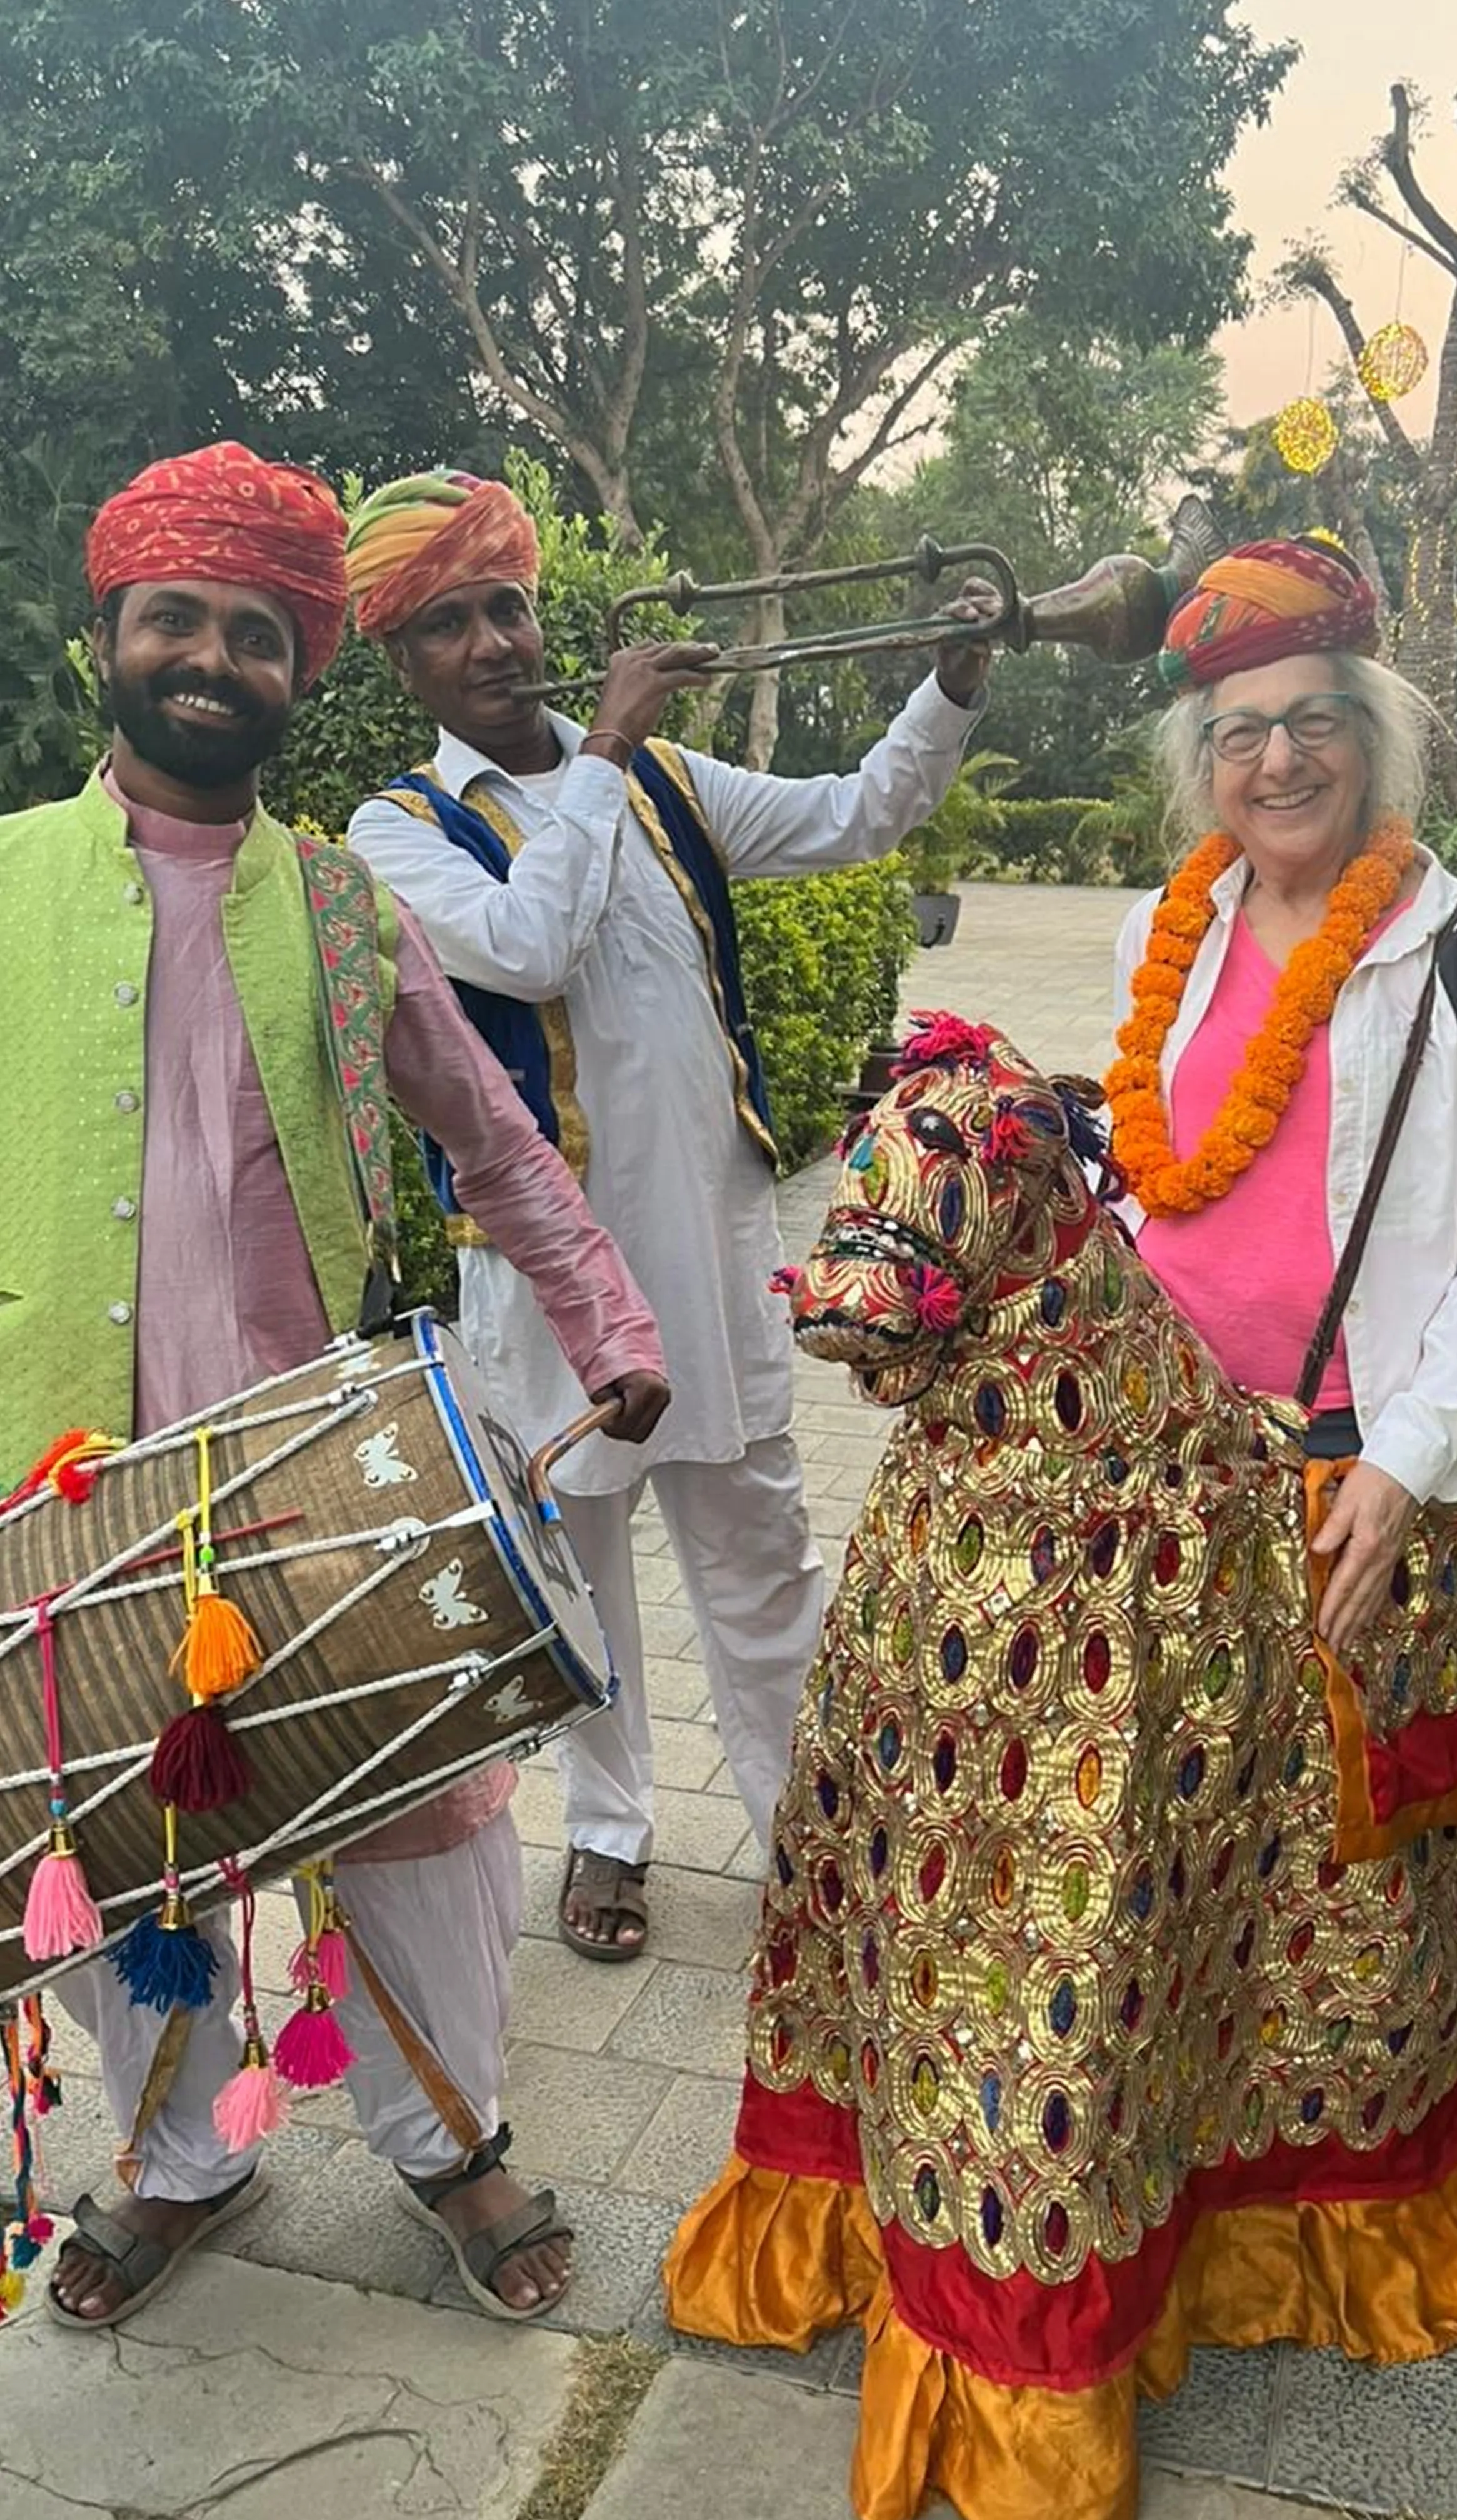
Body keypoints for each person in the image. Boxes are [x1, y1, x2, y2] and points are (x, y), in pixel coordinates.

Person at [662, 540, 1457, 2520]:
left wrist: (1409, 1460)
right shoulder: (1180, 920)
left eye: (1313, 725)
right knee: (1110, 1853)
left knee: (1313, 1869)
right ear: (1199, 762)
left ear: (1373, 739)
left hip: (1348, 1443)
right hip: (1151, 1458)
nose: (1277, 762)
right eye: (1239, 734)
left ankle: (1287, 2201)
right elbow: (1155, 1181)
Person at [1, 442, 671, 2328]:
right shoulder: (4, 886)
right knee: (109, 1840)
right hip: (70, 1485)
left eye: (256, 634)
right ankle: (179, 2159)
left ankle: (451, 2143)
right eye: (176, 622)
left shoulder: (343, 902)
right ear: (110, 640)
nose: (212, 660)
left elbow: (499, 1145)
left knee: (420, 1826)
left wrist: (614, 1331)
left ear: (303, 666)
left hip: (317, 1464)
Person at [341, 471, 995, 1960]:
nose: (493, 642)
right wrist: (607, 749)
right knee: (576, 1568)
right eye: (448, 624)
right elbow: (527, 946)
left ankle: (807, 1834)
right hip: (545, 1281)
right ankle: (609, 1831)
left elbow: (857, 816)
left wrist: (949, 687)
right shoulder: (398, 830)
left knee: (763, 1555)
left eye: (507, 607)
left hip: (716, 1246)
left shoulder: (669, 783)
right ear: (403, 660)